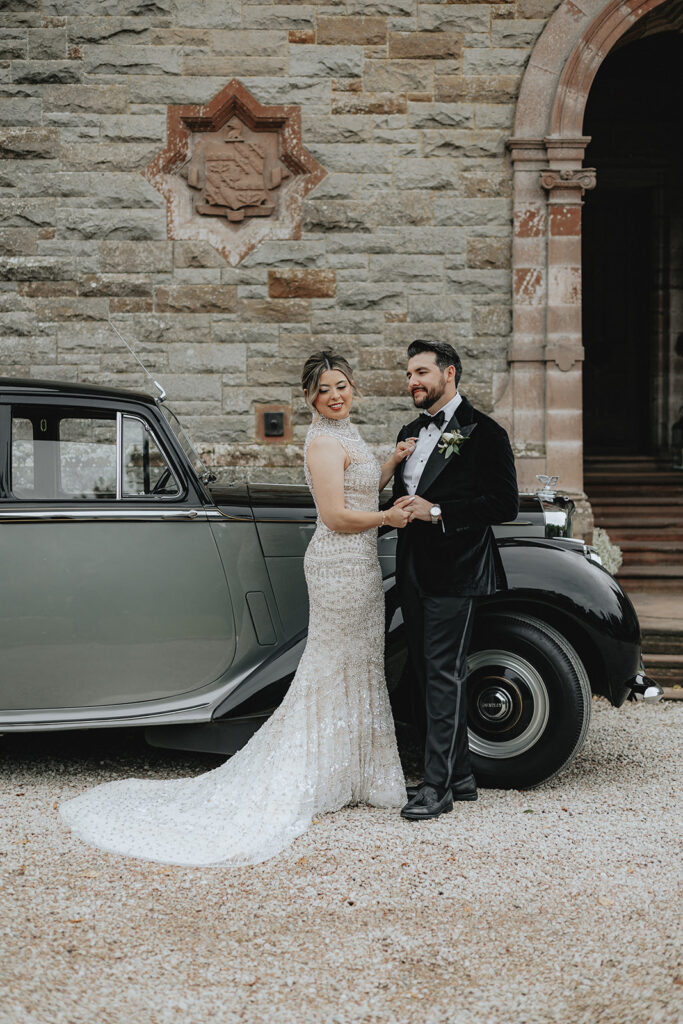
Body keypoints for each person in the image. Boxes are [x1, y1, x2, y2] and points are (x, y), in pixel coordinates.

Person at [59, 352, 413, 866]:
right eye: (324, 390)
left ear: (352, 387)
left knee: (358, 664)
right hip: (338, 566)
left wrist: (392, 463)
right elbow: (337, 515)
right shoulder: (321, 441)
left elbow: (359, 486)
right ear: (310, 398)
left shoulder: (349, 432)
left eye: (342, 386)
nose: (335, 395)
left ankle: (355, 770)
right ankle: (315, 772)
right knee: (330, 666)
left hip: (359, 566)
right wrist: (389, 518)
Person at [390, 339, 519, 821]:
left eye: (421, 372)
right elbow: (410, 492)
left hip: (456, 571)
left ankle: (437, 788)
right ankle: (461, 777)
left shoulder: (485, 433)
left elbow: (503, 505)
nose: (412, 382)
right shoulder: (409, 430)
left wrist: (437, 510)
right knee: (426, 675)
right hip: (413, 571)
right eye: (408, 375)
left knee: (443, 674)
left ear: (449, 373)